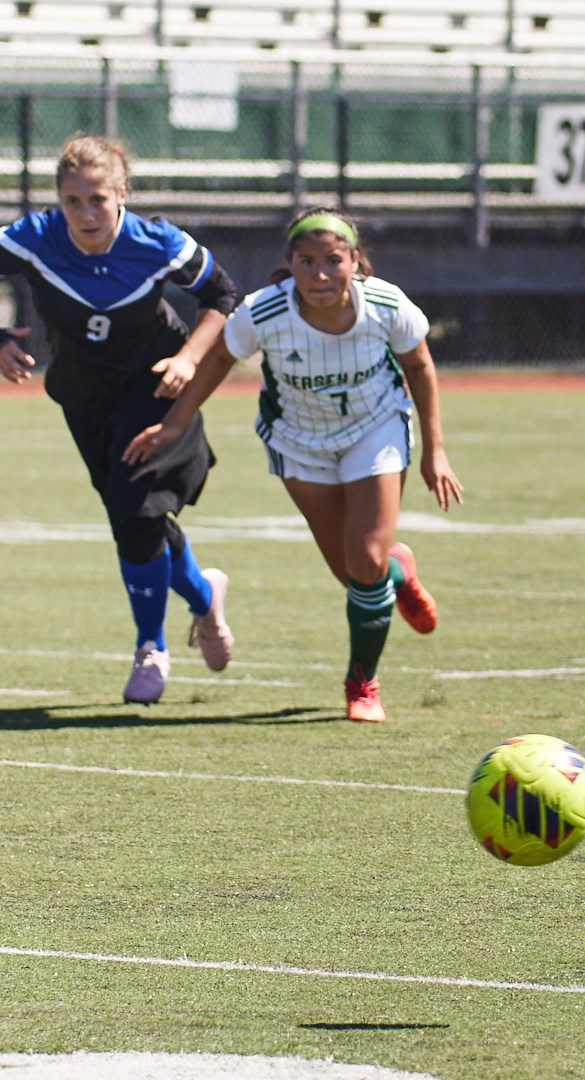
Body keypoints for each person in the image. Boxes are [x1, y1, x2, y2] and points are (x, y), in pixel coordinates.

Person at [125, 207, 461, 722]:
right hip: (299, 442)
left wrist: (435, 450)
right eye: (307, 262)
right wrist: (172, 423)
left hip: (376, 432)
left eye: (333, 260)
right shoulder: (264, 312)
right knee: (355, 576)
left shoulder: (386, 304)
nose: (320, 275)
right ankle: (401, 571)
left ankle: (362, 682)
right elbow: (219, 358)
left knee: (365, 561)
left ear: (355, 261)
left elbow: (419, 364)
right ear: (290, 263)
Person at [0, 134, 237, 704]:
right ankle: (205, 596)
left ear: (122, 194)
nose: (85, 214)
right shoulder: (34, 238)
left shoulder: (157, 242)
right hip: (84, 397)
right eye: (73, 201)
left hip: (155, 387)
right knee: (135, 517)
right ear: (58, 201)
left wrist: (188, 358)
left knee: (134, 511)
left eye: (98, 200)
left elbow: (223, 297)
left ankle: (150, 649)